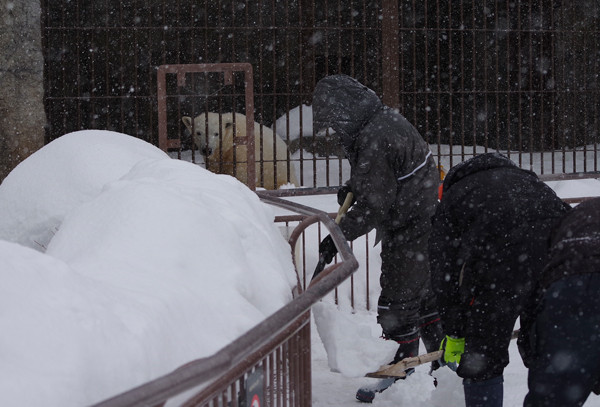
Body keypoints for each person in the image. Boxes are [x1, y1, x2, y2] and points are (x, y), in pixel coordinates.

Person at [311, 74, 444, 402]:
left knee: (396, 305)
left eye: (334, 121)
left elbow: (374, 203)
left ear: (346, 111)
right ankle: (448, 366)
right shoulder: (380, 122)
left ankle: (398, 374)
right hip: (421, 221)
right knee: (424, 300)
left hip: (412, 229)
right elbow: (380, 179)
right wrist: (356, 185)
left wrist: (338, 237)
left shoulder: (375, 136)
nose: (334, 130)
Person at [428, 152, 571, 407]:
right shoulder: (528, 181)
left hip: (502, 267)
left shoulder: (455, 197)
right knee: (545, 345)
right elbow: (567, 219)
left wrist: (455, 331)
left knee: (482, 356)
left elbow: (444, 273)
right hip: (558, 256)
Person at [520, 197, 600, 406]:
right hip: (575, 278)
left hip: (572, 284)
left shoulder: (577, 217)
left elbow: (535, 293)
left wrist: (534, 352)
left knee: (554, 396)